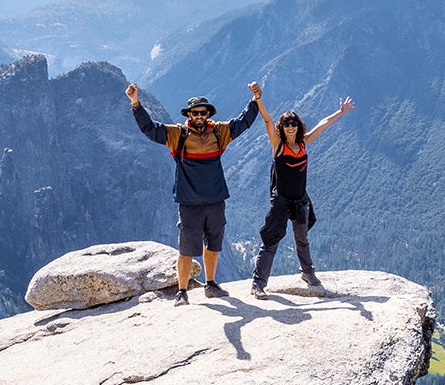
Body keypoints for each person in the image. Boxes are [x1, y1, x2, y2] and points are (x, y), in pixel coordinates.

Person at [126, 81, 260, 305]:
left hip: (215, 199)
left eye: (203, 112)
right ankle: (182, 291)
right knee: (187, 248)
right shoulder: (176, 134)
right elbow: (150, 129)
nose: (199, 115)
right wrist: (135, 104)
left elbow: (242, 123)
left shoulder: (219, 131)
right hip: (189, 202)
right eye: (195, 112)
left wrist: (255, 100)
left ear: (208, 114)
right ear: (188, 114)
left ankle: (210, 284)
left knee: (214, 244)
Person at [248, 92, 355, 297]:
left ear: (298, 126)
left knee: (302, 238)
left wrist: (340, 112)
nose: (290, 127)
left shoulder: (304, 142)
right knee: (271, 240)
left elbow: (323, 124)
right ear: (282, 127)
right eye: (287, 124)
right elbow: (268, 119)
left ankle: (307, 273)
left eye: (294, 124)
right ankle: (258, 284)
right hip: (281, 201)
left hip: (300, 200)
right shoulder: (278, 146)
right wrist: (258, 98)